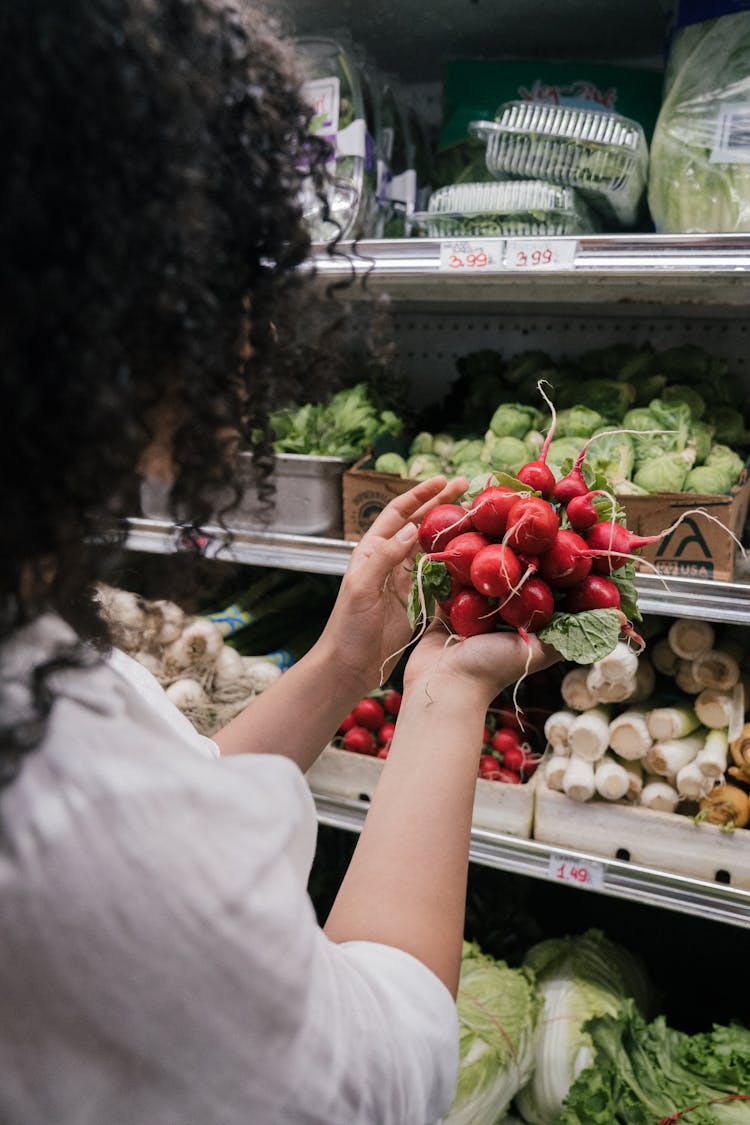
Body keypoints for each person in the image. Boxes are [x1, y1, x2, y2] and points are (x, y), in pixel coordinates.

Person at [0, 1, 555, 1122]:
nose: (248, 325)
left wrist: (349, 661)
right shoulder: (57, 801)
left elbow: (178, 798)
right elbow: (378, 1080)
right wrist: (444, 695)